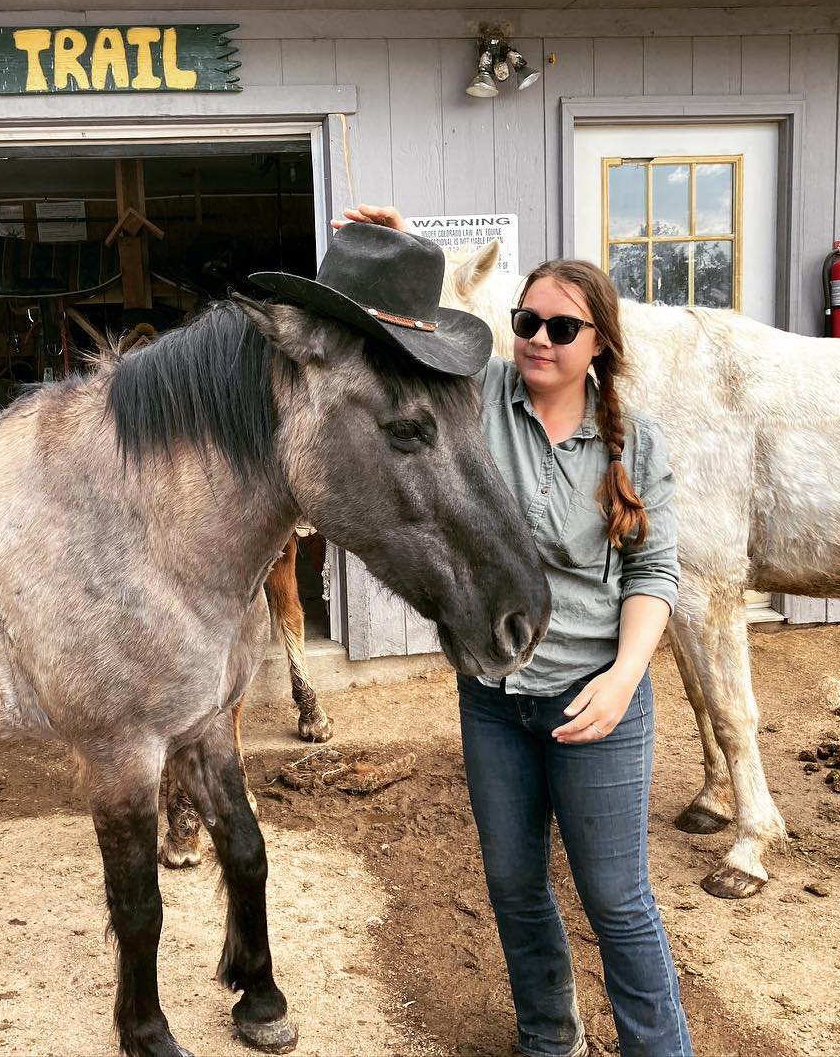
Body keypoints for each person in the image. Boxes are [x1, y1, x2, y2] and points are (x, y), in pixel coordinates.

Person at [334, 205, 693, 1057]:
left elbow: (654, 576)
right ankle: (547, 1038)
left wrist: (624, 678)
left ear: (598, 341)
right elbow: (407, 336)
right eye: (526, 321)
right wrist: (398, 252)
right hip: (494, 697)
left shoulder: (635, 443)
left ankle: (661, 1049)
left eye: (560, 328)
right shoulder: (477, 394)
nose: (536, 338)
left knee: (616, 898)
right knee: (514, 887)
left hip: (593, 701)